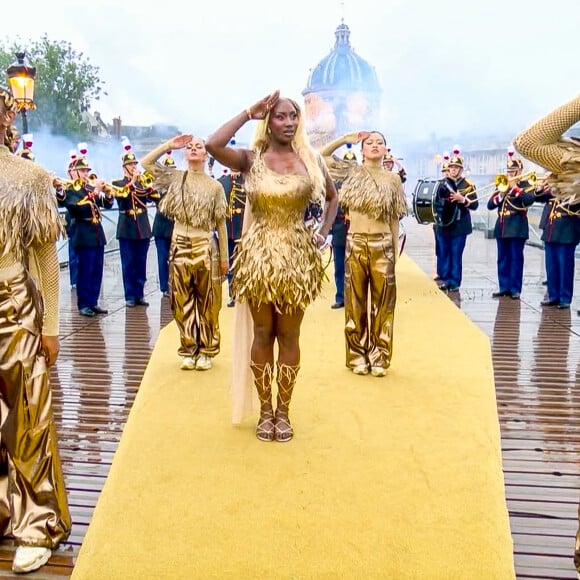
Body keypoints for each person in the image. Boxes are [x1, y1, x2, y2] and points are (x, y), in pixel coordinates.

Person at [205, 90, 338, 442]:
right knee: (263, 333)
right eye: (280, 116)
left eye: (294, 116)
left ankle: (284, 411)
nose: (289, 122)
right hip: (259, 257)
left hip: (297, 259)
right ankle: (266, 410)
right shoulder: (252, 159)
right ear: (269, 121)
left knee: (290, 335)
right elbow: (213, 145)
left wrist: (323, 232)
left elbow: (332, 198)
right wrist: (248, 112)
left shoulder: (311, 160)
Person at [0, 86, 71, 574]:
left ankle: (38, 521)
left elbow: (46, 256)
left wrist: (51, 326)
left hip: (14, 306)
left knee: (28, 415)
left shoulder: (27, 177)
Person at [320, 131, 406, 377]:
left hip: (383, 244)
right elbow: (323, 156)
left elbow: (393, 218)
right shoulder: (350, 171)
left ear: (386, 149)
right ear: (362, 148)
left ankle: (380, 356)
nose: (375, 146)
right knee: (355, 303)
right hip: (355, 242)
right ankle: (357, 355)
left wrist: (394, 251)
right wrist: (346, 138)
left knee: (383, 305)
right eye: (370, 143)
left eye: (380, 142)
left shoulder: (393, 179)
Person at [141, 135, 228, 372]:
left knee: (208, 302)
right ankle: (189, 348)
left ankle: (207, 350)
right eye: (190, 147)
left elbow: (221, 223)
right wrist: (168, 145)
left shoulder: (215, 186)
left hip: (204, 246)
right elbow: (146, 164)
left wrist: (224, 257)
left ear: (206, 154)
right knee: (181, 300)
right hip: (179, 244)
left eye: (198, 147)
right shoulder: (175, 178)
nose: (193, 149)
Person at [514, 94, 580, 312]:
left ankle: (563, 297)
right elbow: (527, 142)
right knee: (553, 265)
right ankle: (556, 295)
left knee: (564, 264)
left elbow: (528, 142)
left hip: (567, 227)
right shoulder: (570, 169)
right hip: (554, 227)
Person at [61, 156, 114, 317]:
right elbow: (76, 208)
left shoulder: (89, 188)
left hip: (97, 233)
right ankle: (83, 304)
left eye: (86, 171)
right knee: (85, 270)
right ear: (73, 173)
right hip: (83, 232)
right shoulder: (70, 190)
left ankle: (93, 302)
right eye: (83, 171)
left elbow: (107, 204)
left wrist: (108, 193)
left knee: (96, 271)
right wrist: (96, 191)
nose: (86, 174)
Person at [112, 148, 160, 307]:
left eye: (134, 164)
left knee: (141, 263)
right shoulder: (117, 184)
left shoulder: (142, 183)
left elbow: (154, 198)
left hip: (143, 227)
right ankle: (130, 296)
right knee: (128, 263)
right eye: (130, 165)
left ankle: (139, 294)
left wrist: (150, 185)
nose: (133, 167)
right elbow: (122, 197)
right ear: (124, 168)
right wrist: (132, 181)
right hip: (127, 227)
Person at [487, 152, 535, 299]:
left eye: (512, 172)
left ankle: (515, 289)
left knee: (515, 259)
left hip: (517, 227)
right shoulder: (502, 185)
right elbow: (490, 205)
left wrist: (515, 188)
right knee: (502, 258)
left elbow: (528, 200)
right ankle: (504, 287)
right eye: (508, 172)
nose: (509, 174)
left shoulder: (526, 185)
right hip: (502, 227)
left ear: (519, 171)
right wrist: (501, 194)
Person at [435, 151, 479, 292]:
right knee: (444, 252)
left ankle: (454, 281)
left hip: (459, 225)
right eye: (451, 167)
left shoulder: (468, 185)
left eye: (455, 167)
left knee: (455, 254)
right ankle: (446, 279)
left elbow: (475, 205)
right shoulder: (442, 184)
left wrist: (463, 199)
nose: (453, 169)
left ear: (461, 169)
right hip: (444, 224)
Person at [329, 150, 356, 309]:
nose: (349, 167)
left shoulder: (360, 184)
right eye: (347, 164)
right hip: (340, 231)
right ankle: (340, 297)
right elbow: (330, 207)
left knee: (356, 268)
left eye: (352, 164)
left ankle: (355, 298)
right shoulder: (335, 184)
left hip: (357, 231)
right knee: (339, 267)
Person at [217, 170, 246, 307]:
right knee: (230, 265)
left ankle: (245, 292)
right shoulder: (222, 182)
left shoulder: (247, 181)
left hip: (243, 231)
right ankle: (233, 294)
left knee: (244, 264)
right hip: (228, 231)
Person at [152, 154, 176, 298]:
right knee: (163, 258)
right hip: (161, 227)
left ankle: (174, 283)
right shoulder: (157, 187)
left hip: (174, 228)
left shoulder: (178, 186)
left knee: (175, 258)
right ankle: (164, 286)